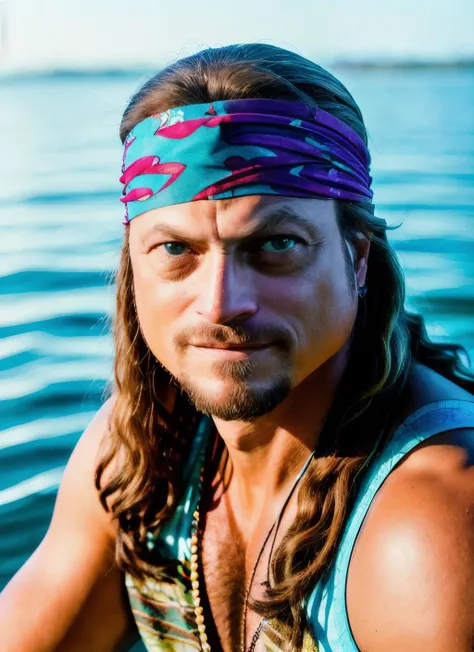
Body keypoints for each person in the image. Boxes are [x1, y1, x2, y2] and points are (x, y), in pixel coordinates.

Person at [1, 43, 473, 652]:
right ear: (132, 270)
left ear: (356, 259)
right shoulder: (141, 455)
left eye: (275, 244)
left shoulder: (430, 524)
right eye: (176, 251)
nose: (222, 303)